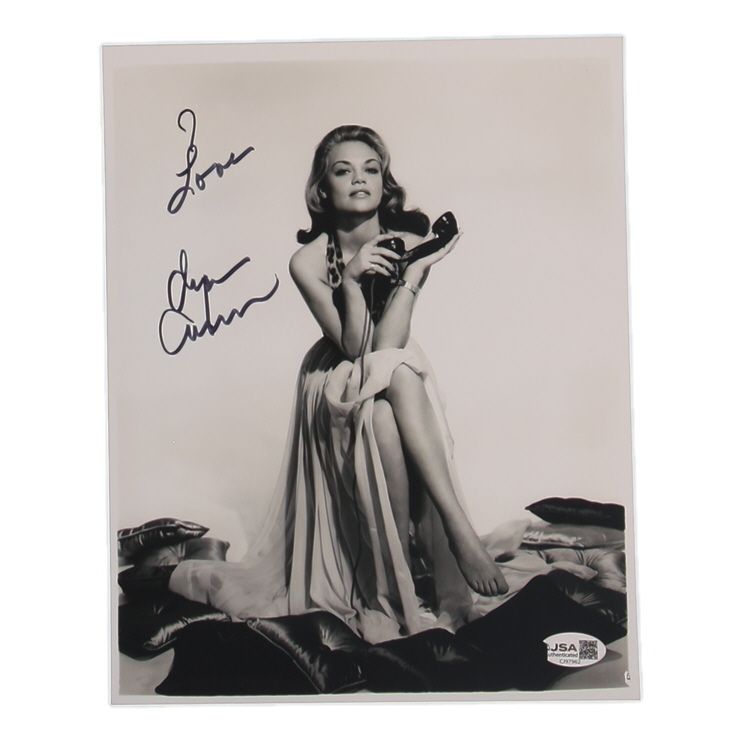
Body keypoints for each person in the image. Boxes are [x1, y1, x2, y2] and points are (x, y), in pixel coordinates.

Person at [170, 125, 508, 642]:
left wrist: (414, 275)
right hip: (337, 380)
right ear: (322, 189)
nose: (359, 179)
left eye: (371, 169)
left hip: (393, 370)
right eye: (343, 171)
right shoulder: (307, 261)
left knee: (391, 394)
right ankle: (439, 543)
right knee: (386, 392)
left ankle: (426, 558)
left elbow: (389, 346)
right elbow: (356, 350)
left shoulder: (411, 243)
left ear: (385, 182)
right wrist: (350, 281)